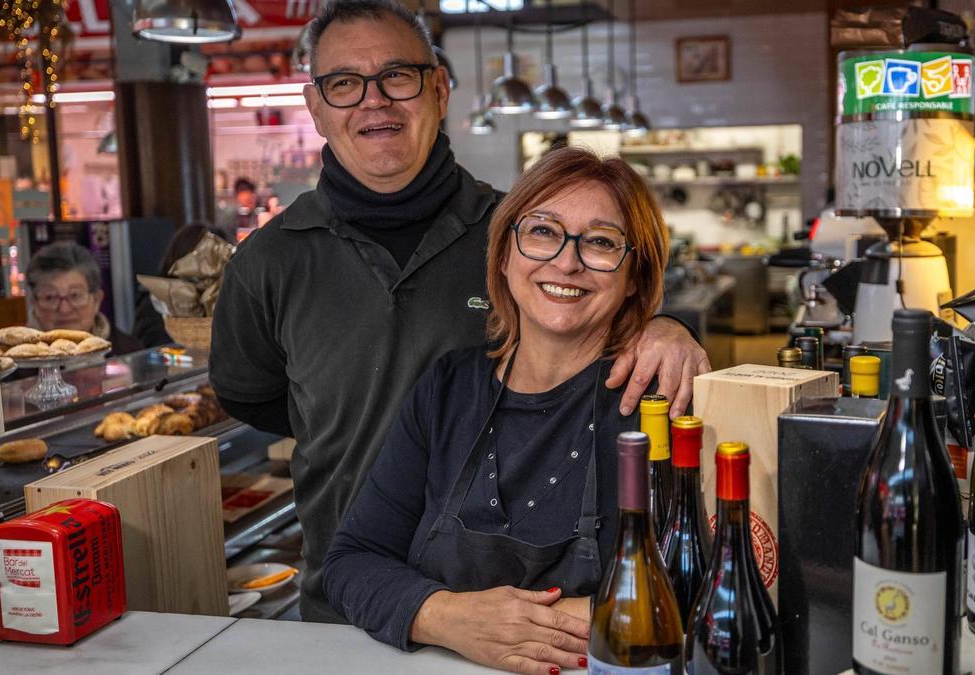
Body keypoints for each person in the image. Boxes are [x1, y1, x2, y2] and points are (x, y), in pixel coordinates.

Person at [208, 0, 708, 625]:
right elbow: (250, 395)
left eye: (398, 75)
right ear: (316, 107)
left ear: (439, 88)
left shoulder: (520, 233)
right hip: (353, 594)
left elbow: (614, 304)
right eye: (343, 83)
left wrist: (670, 327)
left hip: (524, 600)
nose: (374, 100)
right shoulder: (267, 261)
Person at [325, 146, 665, 674]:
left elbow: (709, 591)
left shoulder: (656, 406)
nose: (567, 261)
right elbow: (352, 561)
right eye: (543, 231)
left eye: (600, 242)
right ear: (505, 256)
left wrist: (605, 617)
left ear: (636, 278)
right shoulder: (445, 389)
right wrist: (446, 616)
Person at [26, 242, 144, 355]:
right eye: (50, 297)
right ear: (34, 303)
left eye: (75, 295)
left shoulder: (128, 352)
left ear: (97, 300)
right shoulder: (12, 363)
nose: (64, 309)